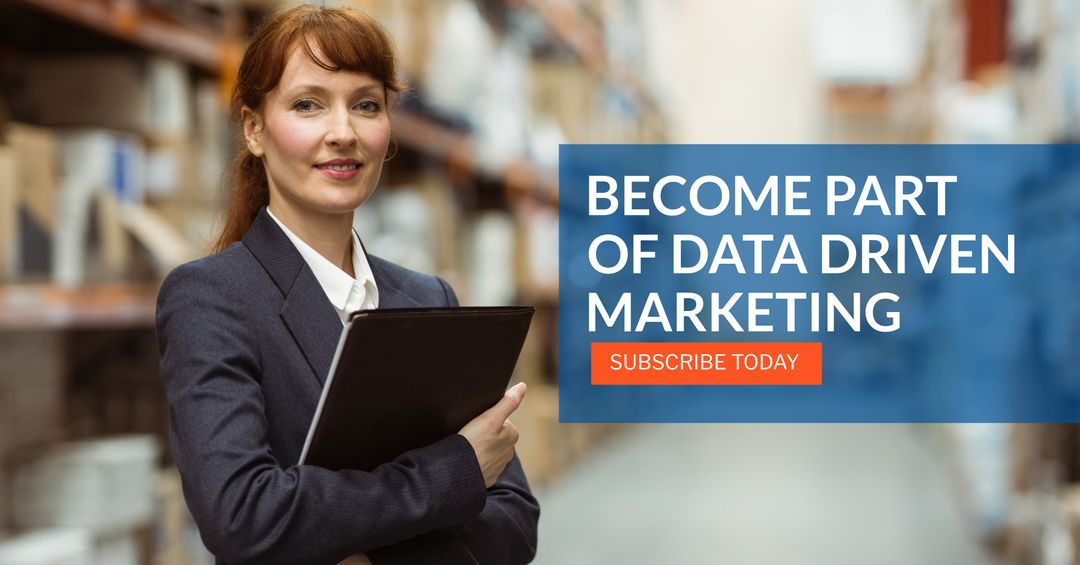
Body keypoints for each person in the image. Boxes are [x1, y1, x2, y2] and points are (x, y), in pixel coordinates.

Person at [155, 6, 539, 564]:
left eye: (366, 105)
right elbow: (242, 514)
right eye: (308, 105)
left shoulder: (429, 299)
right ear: (254, 128)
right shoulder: (212, 298)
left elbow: (514, 524)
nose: (343, 133)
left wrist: (353, 546)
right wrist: (453, 473)